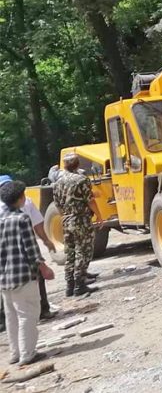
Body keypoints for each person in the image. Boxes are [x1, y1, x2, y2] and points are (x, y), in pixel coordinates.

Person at [0, 180, 53, 365]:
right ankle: (27, 354)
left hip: (4, 278)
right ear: (20, 198)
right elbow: (31, 249)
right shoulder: (21, 219)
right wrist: (44, 267)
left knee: (11, 316)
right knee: (28, 314)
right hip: (23, 275)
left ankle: (15, 353)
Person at [52, 155, 99, 297]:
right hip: (81, 220)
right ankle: (80, 285)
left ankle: (69, 285)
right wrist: (100, 216)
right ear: (77, 165)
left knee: (70, 252)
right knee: (83, 251)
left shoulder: (57, 182)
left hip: (66, 220)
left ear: (64, 166)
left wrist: (65, 217)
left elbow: (58, 205)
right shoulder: (81, 180)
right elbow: (90, 200)